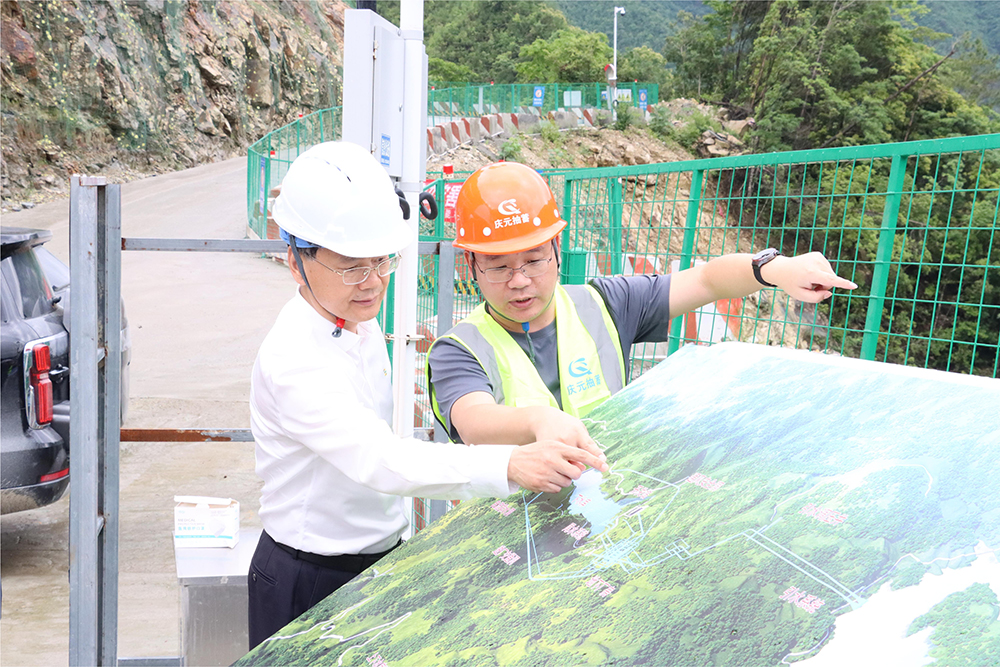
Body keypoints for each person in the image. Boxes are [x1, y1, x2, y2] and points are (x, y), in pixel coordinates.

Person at [248, 143, 607, 649]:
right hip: (308, 575)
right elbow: (382, 459)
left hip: (374, 557)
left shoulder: (352, 318)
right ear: (295, 260)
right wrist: (511, 463)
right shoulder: (294, 359)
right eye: (351, 267)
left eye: (382, 260)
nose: (373, 283)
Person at [428, 161, 858, 448]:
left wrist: (775, 268)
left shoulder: (605, 304)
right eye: (499, 266)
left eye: (534, 260)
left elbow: (705, 280)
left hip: (603, 511)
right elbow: (474, 420)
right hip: (507, 537)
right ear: (471, 265)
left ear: (557, 249)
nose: (519, 280)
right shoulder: (458, 350)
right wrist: (538, 422)